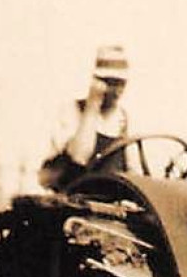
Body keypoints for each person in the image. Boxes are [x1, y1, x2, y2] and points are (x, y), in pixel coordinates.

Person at [38, 45, 131, 192]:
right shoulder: (72, 111)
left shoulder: (124, 121)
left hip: (110, 204)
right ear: (98, 81)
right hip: (71, 198)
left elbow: (133, 173)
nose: (117, 91)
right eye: (111, 83)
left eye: (121, 83)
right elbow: (79, 157)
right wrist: (92, 106)